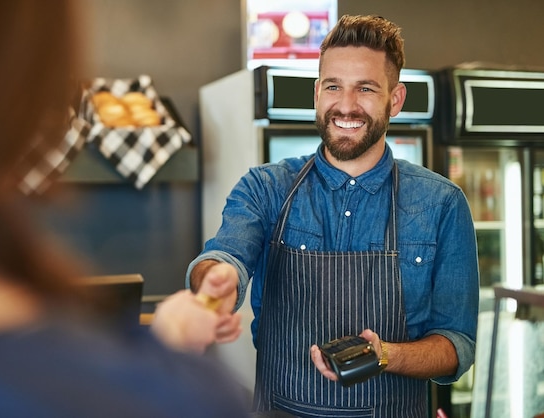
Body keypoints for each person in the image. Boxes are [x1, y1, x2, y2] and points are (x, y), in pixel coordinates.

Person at [0, 1, 248, 417]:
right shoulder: (173, 396)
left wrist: (173, 331)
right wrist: (216, 276)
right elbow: (233, 245)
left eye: (361, 86)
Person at [186, 14, 479, 417]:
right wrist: (216, 285)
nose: (345, 105)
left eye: (365, 89)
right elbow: (226, 256)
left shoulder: (442, 204)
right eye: (333, 86)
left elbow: (456, 345)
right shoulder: (266, 188)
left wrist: (386, 355)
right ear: (316, 93)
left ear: (395, 99)